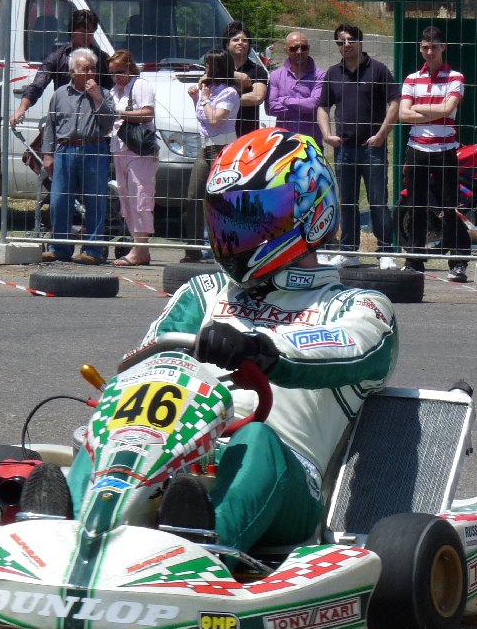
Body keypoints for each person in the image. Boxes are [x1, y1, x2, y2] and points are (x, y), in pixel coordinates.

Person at [47, 128, 398, 553]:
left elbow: (349, 347)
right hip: (179, 457)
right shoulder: (205, 293)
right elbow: (145, 370)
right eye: (226, 217)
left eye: (252, 217)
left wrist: (260, 348)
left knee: (256, 440)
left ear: (311, 211)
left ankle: (199, 549)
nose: (234, 231)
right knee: (111, 430)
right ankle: (64, 536)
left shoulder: (356, 305)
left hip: (285, 481)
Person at [316, 23, 400, 268]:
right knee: (347, 203)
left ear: (361, 42)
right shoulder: (333, 73)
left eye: (350, 40)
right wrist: (327, 135)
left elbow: (395, 102)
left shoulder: (378, 70)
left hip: (373, 148)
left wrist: (382, 135)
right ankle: (349, 252)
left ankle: (386, 252)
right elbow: (323, 107)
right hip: (344, 149)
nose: (346, 45)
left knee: (378, 202)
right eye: (341, 42)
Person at [397, 26, 471, 281]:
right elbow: (403, 114)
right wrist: (436, 110)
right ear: (420, 49)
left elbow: (449, 109)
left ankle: (459, 262)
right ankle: (415, 261)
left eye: (434, 47)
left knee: (449, 207)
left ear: (443, 48)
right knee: (416, 206)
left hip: (445, 150)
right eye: (425, 47)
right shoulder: (411, 78)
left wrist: (419, 109)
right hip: (416, 149)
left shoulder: (455, 77)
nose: (430, 52)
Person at [41, 47, 116, 264]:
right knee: (59, 200)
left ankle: (93, 250)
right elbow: (51, 126)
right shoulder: (60, 95)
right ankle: (59, 248)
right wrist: (48, 154)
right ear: (73, 72)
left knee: (95, 201)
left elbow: (108, 124)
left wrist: (97, 98)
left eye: (93, 69)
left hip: (94, 149)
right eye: (85, 69)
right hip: (65, 151)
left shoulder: (104, 94)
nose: (91, 73)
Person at [181, 49, 240, 262]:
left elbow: (215, 120)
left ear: (218, 68)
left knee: (220, 198)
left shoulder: (229, 93)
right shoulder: (209, 90)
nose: (205, 69)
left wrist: (204, 99)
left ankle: (226, 249)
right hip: (204, 147)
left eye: (209, 65)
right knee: (193, 196)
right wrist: (197, 98)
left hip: (223, 148)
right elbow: (203, 119)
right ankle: (193, 249)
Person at [9, 9, 110, 128]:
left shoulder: (102, 58)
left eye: (91, 33)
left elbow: (111, 93)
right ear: (72, 32)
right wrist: (21, 109)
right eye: (83, 33)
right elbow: (37, 86)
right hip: (65, 119)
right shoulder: (57, 57)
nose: (87, 37)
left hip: (93, 122)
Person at [107, 49, 158, 267]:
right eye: (112, 73)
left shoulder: (140, 85)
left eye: (120, 72)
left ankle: (140, 248)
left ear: (130, 68)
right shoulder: (114, 91)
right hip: (119, 147)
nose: (116, 77)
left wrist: (121, 114)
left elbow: (148, 113)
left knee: (141, 197)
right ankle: (139, 249)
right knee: (126, 199)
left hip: (139, 150)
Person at [266, 30, 324, 137]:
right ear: (286, 50)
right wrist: (304, 110)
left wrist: (284, 100)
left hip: (311, 140)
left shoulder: (320, 76)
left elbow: (313, 105)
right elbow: (271, 108)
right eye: (294, 48)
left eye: (303, 47)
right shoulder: (275, 75)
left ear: (309, 48)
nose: (299, 51)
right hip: (284, 140)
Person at [222, 21, 268, 139]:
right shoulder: (216, 69)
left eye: (244, 40)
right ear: (227, 44)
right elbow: (206, 92)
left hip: (247, 134)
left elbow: (257, 97)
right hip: (219, 133)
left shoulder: (258, 71)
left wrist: (222, 100)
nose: (240, 43)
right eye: (235, 40)